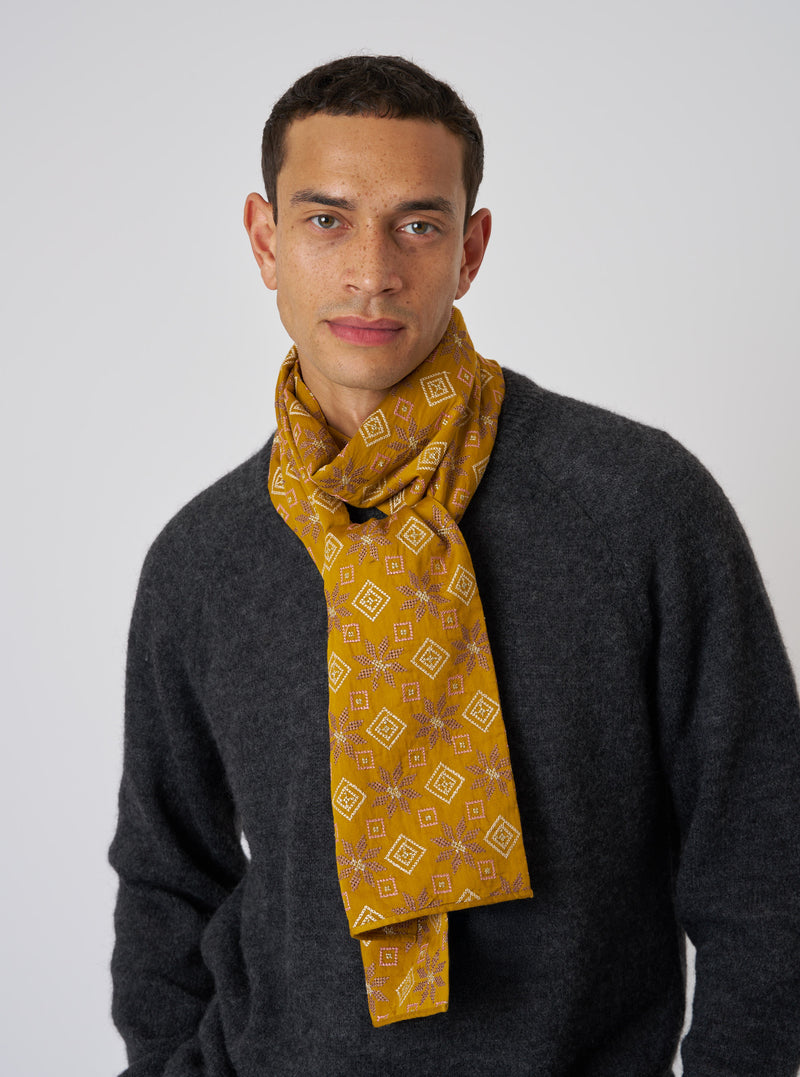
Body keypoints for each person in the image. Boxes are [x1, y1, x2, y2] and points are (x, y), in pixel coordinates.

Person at [109, 55, 800, 1076]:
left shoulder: (639, 505)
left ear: (470, 250)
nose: (371, 271)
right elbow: (167, 880)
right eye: (326, 220)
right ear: (265, 240)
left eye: (418, 225)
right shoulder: (201, 560)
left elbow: (761, 851)